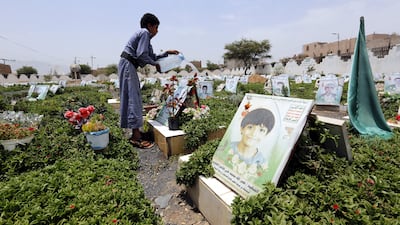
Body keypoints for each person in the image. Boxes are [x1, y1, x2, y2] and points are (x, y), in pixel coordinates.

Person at [119, 13, 179, 149]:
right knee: (133, 98)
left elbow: (151, 56)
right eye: (156, 28)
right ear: (149, 26)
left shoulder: (145, 37)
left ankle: (136, 132)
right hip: (128, 65)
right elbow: (142, 55)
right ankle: (136, 137)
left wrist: (166, 54)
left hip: (129, 65)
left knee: (133, 97)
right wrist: (155, 64)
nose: (157, 31)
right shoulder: (144, 33)